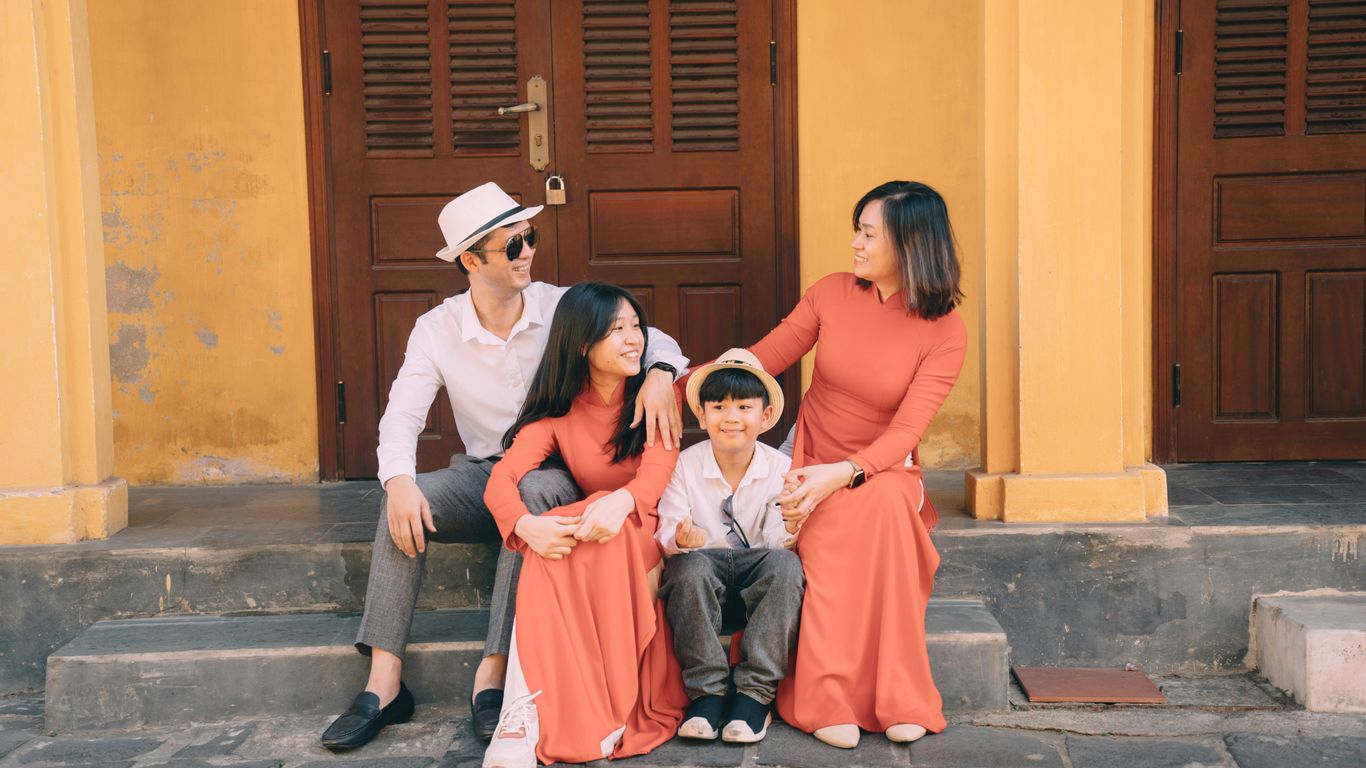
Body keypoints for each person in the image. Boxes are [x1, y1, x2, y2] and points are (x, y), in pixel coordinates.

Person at [320, 184, 688, 751]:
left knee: (536, 490)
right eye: (512, 244)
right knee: (405, 500)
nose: (528, 252)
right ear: (471, 261)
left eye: (529, 237)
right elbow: (402, 416)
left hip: (564, 469)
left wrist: (661, 372)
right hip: (486, 469)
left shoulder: (557, 304)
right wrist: (397, 481)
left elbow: (644, 333)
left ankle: (494, 674)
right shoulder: (437, 329)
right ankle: (384, 683)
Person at [753, 181, 967, 748]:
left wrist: (844, 473)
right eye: (858, 230)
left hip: (886, 467)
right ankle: (827, 695)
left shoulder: (945, 330)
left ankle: (900, 695)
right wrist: (670, 380)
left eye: (868, 234)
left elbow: (906, 433)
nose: (855, 243)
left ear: (910, 244)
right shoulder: (831, 293)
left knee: (885, 506)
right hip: (811, 454)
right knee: (825, 520)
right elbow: (763, 359)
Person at [480, 282, 688, 768]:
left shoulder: (655, 395)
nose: (634, 339)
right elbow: (500, 482)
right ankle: (525, 711)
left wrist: (621, 501)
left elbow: (656, 476)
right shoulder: (561, 411)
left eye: (636, 326)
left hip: (649, 530)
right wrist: (525, 527)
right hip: (599, 531)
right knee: (552, 532)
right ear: (581, 344)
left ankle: (597, 710)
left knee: (584, 520)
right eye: (617, 330)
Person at [655, 349, 805, 744]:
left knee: (786, 566)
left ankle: (755, 694)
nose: (731, 417)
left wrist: (791, 527)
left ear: (765, 416)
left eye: (744, 406)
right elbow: (669, 525)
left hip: (759, 581)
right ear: (701, 415)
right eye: (718, 407)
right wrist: (680, 539)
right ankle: (707, 692)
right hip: (704, 579)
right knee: (686, 567)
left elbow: (776, 539)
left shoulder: (780, 469)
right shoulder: (683, 465)